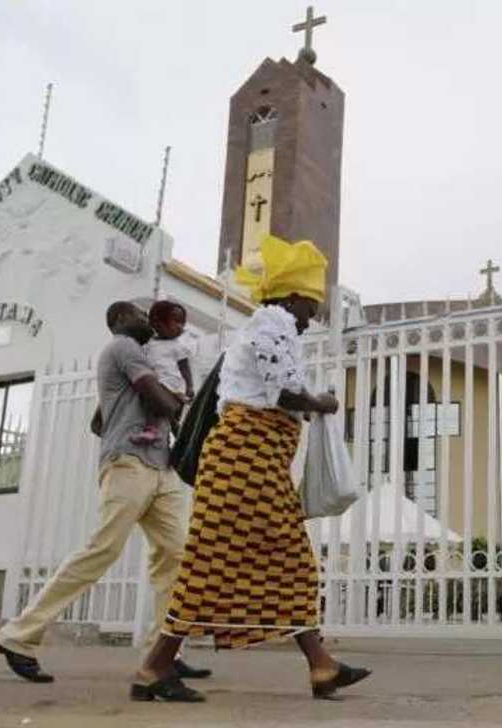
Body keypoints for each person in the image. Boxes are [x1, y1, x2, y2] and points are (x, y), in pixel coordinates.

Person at [132, 235, 371, 703]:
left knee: (258, 562)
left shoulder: (270, 328)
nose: (312, 317)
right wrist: (322, 402)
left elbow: (276, 389)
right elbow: (285, 393)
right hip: (245, 460)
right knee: (251, 561)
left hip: (251, 462)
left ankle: (319, 665)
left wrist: (309, 404)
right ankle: (154, 668)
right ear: (295, 297)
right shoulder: (273, 322)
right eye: (311, 306)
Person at [0, 301, 209, 683]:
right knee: (102, 550)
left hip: (159, 466)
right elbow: (160, 401)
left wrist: (133, 411)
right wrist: (178, 399)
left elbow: (97, 421)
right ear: (119, 321)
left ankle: (164, 654)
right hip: (130, 464)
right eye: (139, 314)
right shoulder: (123, 347)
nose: (148, 318)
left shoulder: (142, 357)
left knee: (176, 557)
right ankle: (17, 636)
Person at [132, 300, 194, 445]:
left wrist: (190, 386)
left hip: (173, 385)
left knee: (163, 407)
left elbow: (184, 367)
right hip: (159, 383)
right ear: (157, 322)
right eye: (176, 322)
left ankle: (155, 431)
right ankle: (175, 434)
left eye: (182, 323)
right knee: (156, 408)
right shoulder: (148, 345)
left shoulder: (177, 346)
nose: (181, 327)